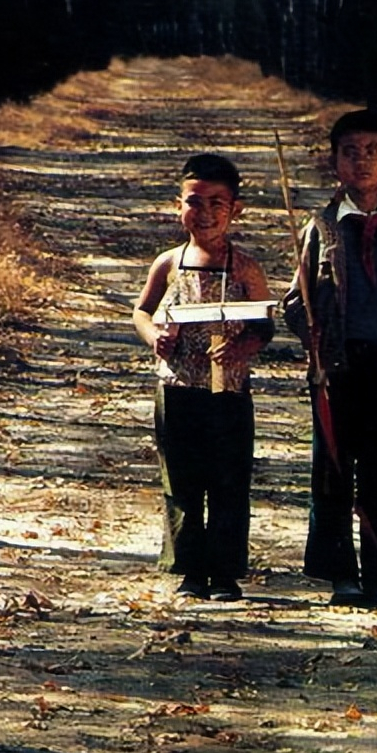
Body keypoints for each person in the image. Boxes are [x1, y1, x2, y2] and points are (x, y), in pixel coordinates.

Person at [282, 109, 377, 606]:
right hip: (337, 368)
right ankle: (339, 573)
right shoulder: (321, 227)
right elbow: (294, 301)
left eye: (373, 151)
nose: (362, 161)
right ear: (335, 162)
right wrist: (313, 336)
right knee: (332, 472)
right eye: (351, 152)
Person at [133, 153, 275, 602]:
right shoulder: (169, 263)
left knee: (229, 482)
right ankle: (190, 569)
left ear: (236, 209)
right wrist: (154, 335)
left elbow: (264, 326)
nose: (206, 213)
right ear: (179, 206)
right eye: (195, 202)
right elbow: (141, 310)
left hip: (228, 393)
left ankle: (225, 573)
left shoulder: (246, 268)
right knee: (182, 480)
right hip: (177, 390)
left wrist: (241, 348)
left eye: (218, 202)